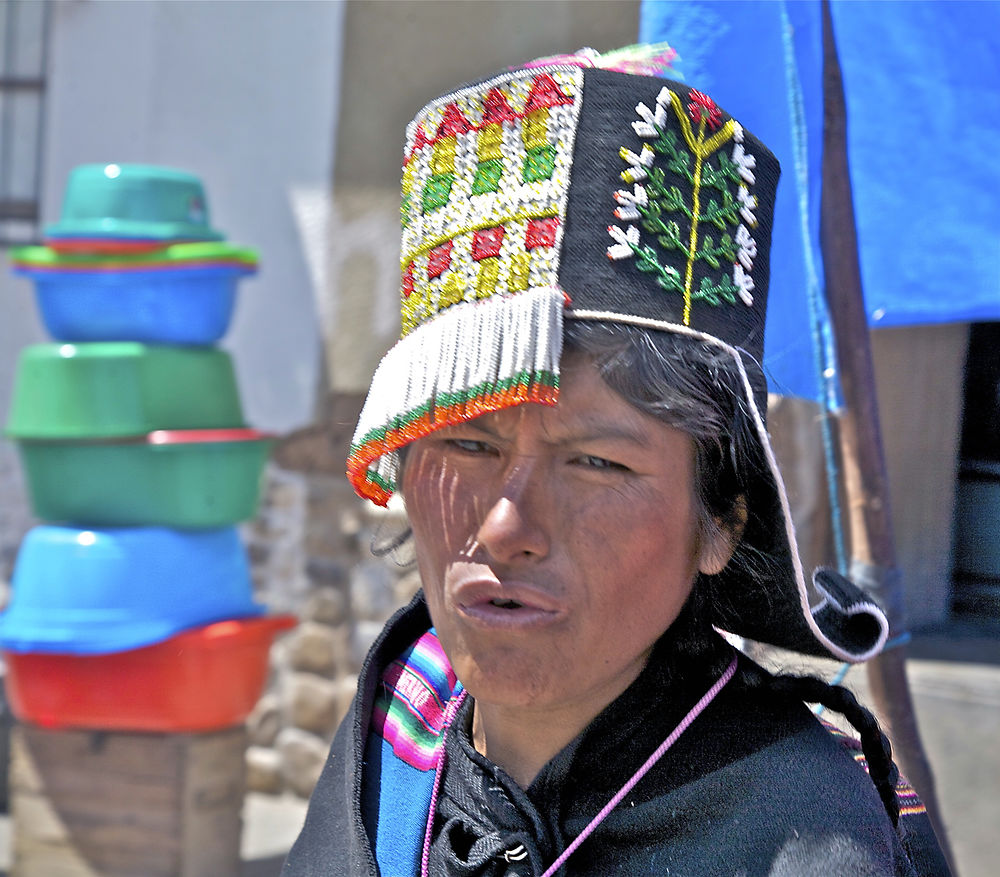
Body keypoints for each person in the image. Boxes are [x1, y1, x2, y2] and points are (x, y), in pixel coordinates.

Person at [283, 47, 951, 876]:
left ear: (720, 522)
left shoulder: (802, 833)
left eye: (596, 463)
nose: (507, 526)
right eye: (468, 442)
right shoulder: (393, 735)